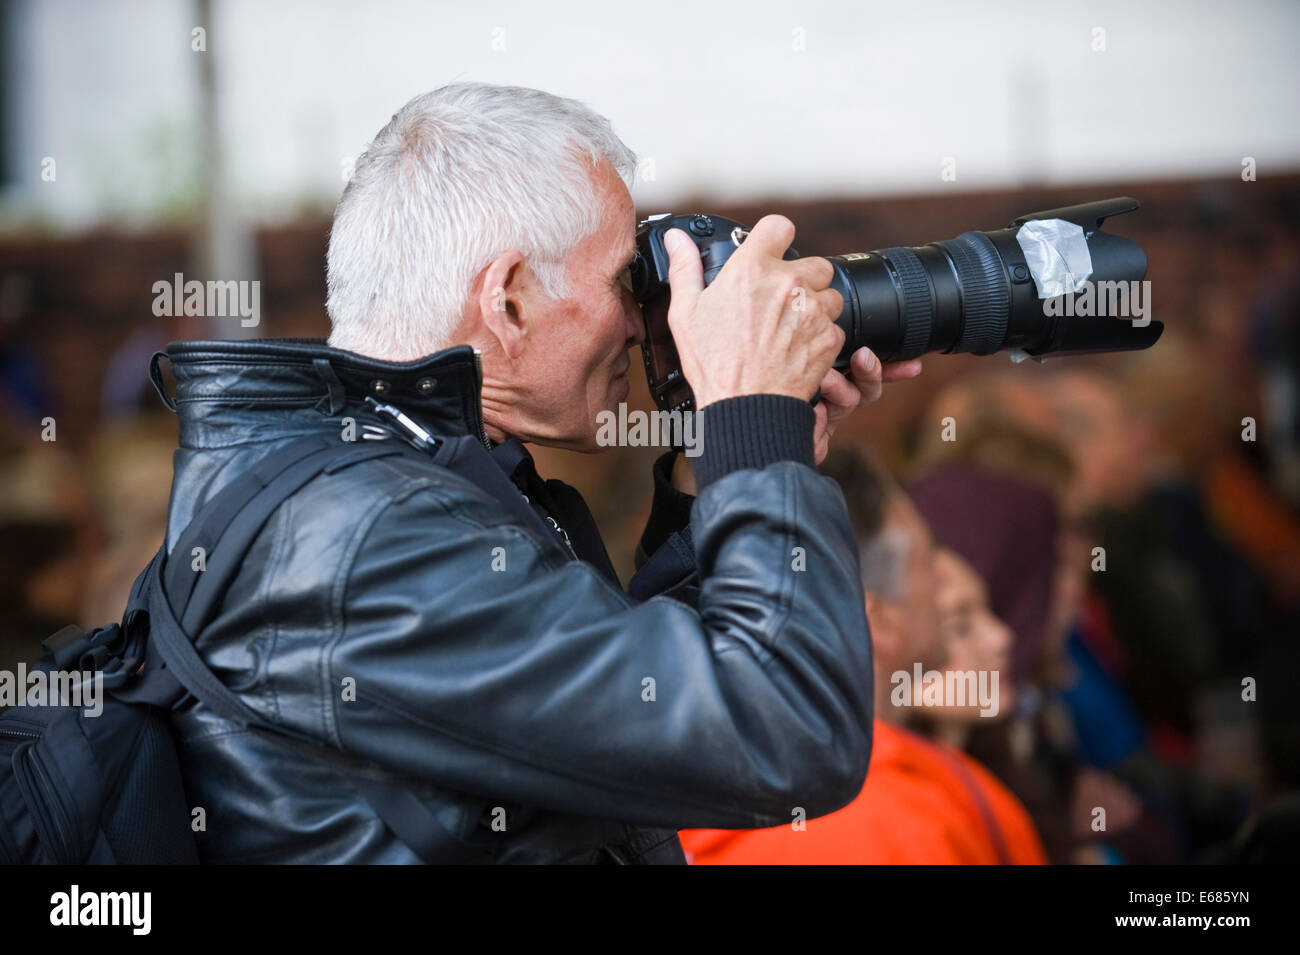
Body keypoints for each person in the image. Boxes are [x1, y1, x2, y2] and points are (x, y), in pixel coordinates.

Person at [156, 83, 922, 863]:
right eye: (626, 280)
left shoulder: (390, 490)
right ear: (510, 300)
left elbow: (647, 709)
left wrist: (722, 456)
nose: (640, 320)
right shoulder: (366, 540)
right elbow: (787, 734)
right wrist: (756, 430)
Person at [678, 447, 1045, 864]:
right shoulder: (901, 826)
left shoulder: (686, 796)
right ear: (880, 622)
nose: (942, 579)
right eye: (925, 561)